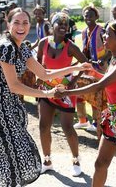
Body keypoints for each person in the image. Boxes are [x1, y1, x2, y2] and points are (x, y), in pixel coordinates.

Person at [0, 7, 91, 186]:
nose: (21, 27)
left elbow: (43, 73)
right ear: (8, 24)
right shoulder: (6, 47)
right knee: (1, 156)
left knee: (12, 155)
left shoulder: (22, 46)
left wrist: (75, 68)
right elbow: (14, 86)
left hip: (9, 106)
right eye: (17, 22)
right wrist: (46, 93)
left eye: (25, 23)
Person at [55, 19, 116, 187]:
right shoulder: (114, 59)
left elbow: (99, 86)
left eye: (108, 34)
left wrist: (67, 92)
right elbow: (106, 79)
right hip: (114, 117)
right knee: (100, 164)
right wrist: (86, 66)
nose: (104, 36)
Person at [37, 12, 89, 177]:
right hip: (47, 88)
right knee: (44, 126)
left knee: (67, 128)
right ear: (52, 26)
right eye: (59, 23)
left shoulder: (71, 46)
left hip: (65, 90)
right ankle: (47, 160)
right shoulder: (43, 43)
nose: (62, 26)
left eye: (65, 25)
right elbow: (39, 61)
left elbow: (85, 65)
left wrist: (73, 83)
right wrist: (39, 76)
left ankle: (76, 160)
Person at [73, 5, 107, 132]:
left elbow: (109, 49)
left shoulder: (101, 30)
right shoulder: (83, 32)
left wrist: (103, 59)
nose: (88, 18)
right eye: (86, 15)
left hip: (99, 68)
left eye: (91, 15)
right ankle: (82, 120)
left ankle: (96, 122)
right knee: (80, 92)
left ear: (96, 17)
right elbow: (84, 50)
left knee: (95, 95)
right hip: (87, 66)